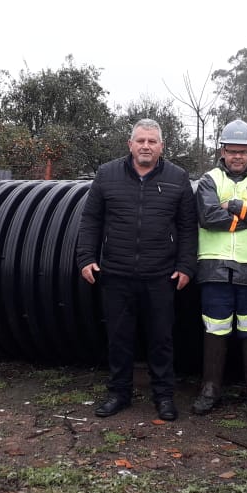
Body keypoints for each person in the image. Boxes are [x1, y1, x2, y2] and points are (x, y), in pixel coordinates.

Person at [76, 119, 197, 421]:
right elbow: (91, 219)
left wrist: (185, 266)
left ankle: (164, 396)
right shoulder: (107, 175)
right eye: (140, 141)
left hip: (160, 274)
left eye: (152, 141)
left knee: (161, 338)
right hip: (116, 273)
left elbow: (187, 228)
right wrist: (86, 257)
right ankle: (119, 393)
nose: (146, 146)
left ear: (161, 146)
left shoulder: (177, 178)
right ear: (130, 144)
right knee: (119, 337)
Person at [191, 119, 247, 417]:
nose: (237, 157)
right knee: (214, 329)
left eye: (243, 151)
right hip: (215, 269)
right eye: (232, 151)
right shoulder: (209, 180)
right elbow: (207, 216)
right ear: (223, 151)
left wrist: (231, 206)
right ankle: (210, 389)